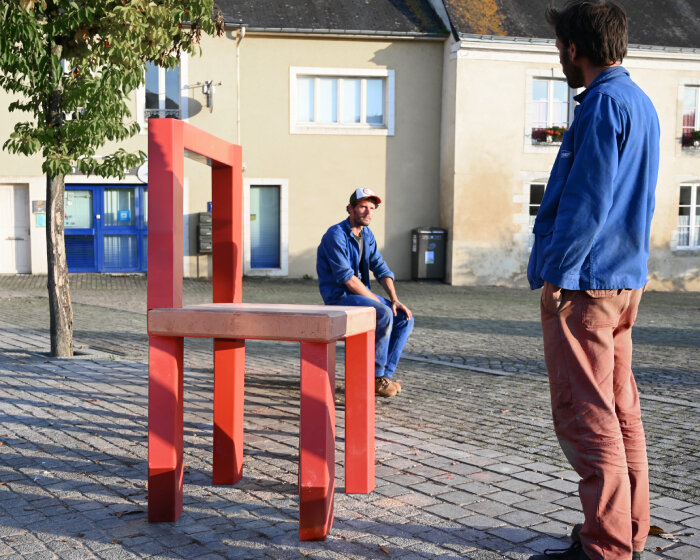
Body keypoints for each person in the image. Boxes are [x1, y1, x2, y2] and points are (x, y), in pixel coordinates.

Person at [527, 2, 659, 560]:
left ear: (574, 49)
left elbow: (588, 201)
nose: (559, 54)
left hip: (588, 285)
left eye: (560, 45)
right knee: (620, 408)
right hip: (624, 281)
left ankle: (605, 546)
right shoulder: (642, 103)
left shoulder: (602, 104)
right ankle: (628, 529)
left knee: (587, 413)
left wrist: (557, 274)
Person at [317, 187, 414, 398]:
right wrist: (381, 304)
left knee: (404, 317)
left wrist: (395, 300)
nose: (368, 212)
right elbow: (347, 278)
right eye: (362, 207)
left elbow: (381, 268)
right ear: (350, 209)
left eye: (372, 208)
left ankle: (382, 377)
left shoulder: (367, 234)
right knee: (384, 313)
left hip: (360, 296)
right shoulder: (336, 235)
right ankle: (375, 377)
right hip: (340, 298)